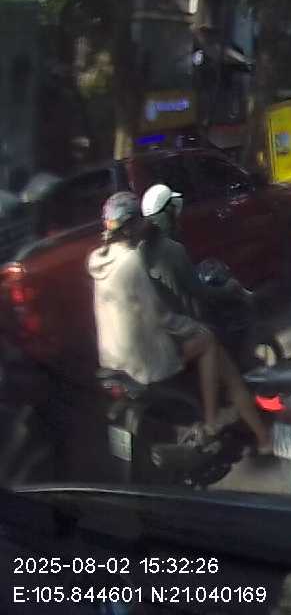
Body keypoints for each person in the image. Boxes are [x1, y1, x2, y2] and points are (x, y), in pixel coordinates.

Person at [87, 192, 272, 453]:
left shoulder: (99, 261)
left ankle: (250, 434)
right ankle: (217, 424)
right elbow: (161, 314)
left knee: (218, 358)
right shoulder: (138, 258)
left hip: (112, 358)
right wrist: (194, 328)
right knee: (211, 345)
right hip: (145, 355)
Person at [140, 183, 250, 323]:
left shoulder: (142, 251)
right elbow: (201, 293)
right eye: (174, 210)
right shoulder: (172, 249)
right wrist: (230, 288)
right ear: (167, 214)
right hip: (191, 323)